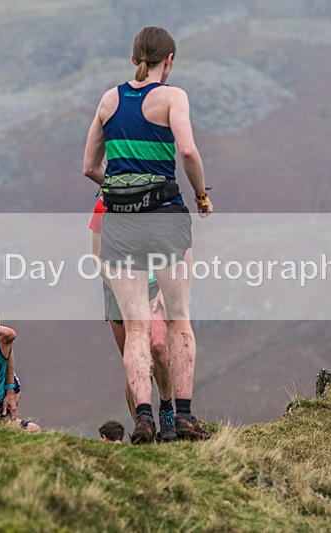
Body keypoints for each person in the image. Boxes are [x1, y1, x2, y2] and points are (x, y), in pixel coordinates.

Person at [83, 26, 212, 443]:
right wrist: (201, 196)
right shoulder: (173, 97)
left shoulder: (109, 99)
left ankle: (143, 418)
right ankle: (185, 416)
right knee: (178, 319)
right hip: (165, 217)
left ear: (133, 57)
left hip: (121, 221)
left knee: (136, 328)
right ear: (169, 60)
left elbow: (89, 167)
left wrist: (122, 187)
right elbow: (187, 150)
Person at [90, 197, 177, 442]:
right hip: (118, 288)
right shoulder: (103, 205)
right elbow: (96, 258)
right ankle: (143, 428)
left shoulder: (156, 197)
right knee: (135, 364)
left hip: (153, 284)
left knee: (158, 350)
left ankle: (167, 413)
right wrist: (121, 290)